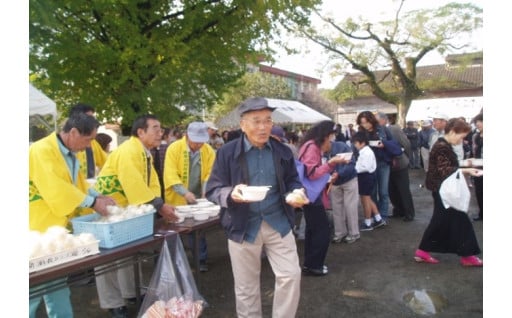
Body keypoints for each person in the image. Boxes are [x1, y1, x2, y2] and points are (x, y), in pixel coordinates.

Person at [205, 97, 308, 317]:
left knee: (291, 275)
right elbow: (213, 189)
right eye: (256, 121)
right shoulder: (227, 152)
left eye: (268, 120)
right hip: (243, 225)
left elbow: (293, 181)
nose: (263, 126)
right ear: (243, 125)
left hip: (278, 221)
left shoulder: (283, 151)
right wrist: (231, 194)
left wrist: (296, 193)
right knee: (246, 287)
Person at [29, 113, 116, 318]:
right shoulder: (42, 150)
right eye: (88, 140)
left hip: (55, 228)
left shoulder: (68, 152)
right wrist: (93, 203)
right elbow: (58, 188)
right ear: (74, 132)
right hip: (37, 227)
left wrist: (98, 195)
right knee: (32, 289)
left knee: (57, 284)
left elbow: (78, 185)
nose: (88, 146)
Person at [94, 114, 178, 318]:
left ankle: (131, 292)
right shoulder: (129, 151)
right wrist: (159, 206)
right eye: (155, 128)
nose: (161, 133)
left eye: (161, 129)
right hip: (109, 210)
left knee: (127, 251)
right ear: (140, 132)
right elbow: (134, 184)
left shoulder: (143, 151)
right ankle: (113, 303)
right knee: (107, 259)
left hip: (126, 210)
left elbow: (150, 185)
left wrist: (158, 204)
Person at [414, 118, 483, 267]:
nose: (462, 140)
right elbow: (446, 170)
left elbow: (449, 166)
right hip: (443, 190)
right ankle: (467, 255)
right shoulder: (441, 146)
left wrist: (465, 164)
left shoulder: (442, 144)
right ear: (452, 132)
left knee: (444, 220)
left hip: (442, 189)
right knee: (456, 220)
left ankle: (424, 252)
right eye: (461, 136)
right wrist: (468, 169)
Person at [164, 121, 216, 272]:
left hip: (198, 197)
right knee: (175, 228)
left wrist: (206, 190)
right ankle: (173, 262)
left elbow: (209, 173)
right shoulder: (174, 148)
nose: (198, 145)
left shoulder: (208, 150)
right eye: (195, 141)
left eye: (201, 142)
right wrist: (184, 192)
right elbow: (170, 174)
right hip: (177, 196)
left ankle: (200, 260)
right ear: (187, 136)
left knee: (197, 229)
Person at [298, 120, 347, 275]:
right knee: (322, 231)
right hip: (312, 196)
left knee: (313, 230)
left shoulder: (309, 145)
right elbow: (312, 174)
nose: (332, 139)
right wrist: (331, 163)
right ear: (325, 135)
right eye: (331, 135)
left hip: (310, 195)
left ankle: (311, 264)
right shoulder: (312, 147)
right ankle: (314, 265)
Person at [356, 111, 396, 221]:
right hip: (369, 166)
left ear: (371, 120)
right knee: (372, 192)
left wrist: (386, 148)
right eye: (362, 123)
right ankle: (375, 215)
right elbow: (356, 147)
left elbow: (393, 143)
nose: (365, 125)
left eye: (366, 122)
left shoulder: (382, 129)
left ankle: (383, 216)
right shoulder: (361, 132)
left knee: (383, 192)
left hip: (383, 163)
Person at [326, 140, 360, 243]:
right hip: (334, 183)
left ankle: (354, 233)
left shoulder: (341, 146)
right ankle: (339, 233)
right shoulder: (320, 150)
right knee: (336, 208)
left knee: (350, 207)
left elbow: (351, 164)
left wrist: (338, 174)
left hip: (349, 180)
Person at [351, 131, 386, 231]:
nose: (355, 145)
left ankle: (368, 222)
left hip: (365, 176)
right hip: (366, 176)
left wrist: (353, 170)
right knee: (367, 199)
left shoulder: (366, 152)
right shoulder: (365, 151)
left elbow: (364, 167)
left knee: (365, 200)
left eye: (356, 143)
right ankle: (378, 218)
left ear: (362, 143)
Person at [387, 121, 416, 222]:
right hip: (387, 165)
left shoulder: (394, 129)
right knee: (392, 190)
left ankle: (409, 213)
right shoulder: (378, 131)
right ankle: (398, 210)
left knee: (403, 189)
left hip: (400, 163)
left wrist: (406, 157)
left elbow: (406, 144)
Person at [69, 103, 108, 178]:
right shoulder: (58, 146)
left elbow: (107, 162)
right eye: (89, 119)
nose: (93, 123)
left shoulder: (93, 143)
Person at [471, 113, 483, 221]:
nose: (478, 124)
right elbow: (474, 152)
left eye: (481, 121)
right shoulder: (475, 136)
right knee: (479, 192)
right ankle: (481, 213)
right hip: (478, 167)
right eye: (477, 122)